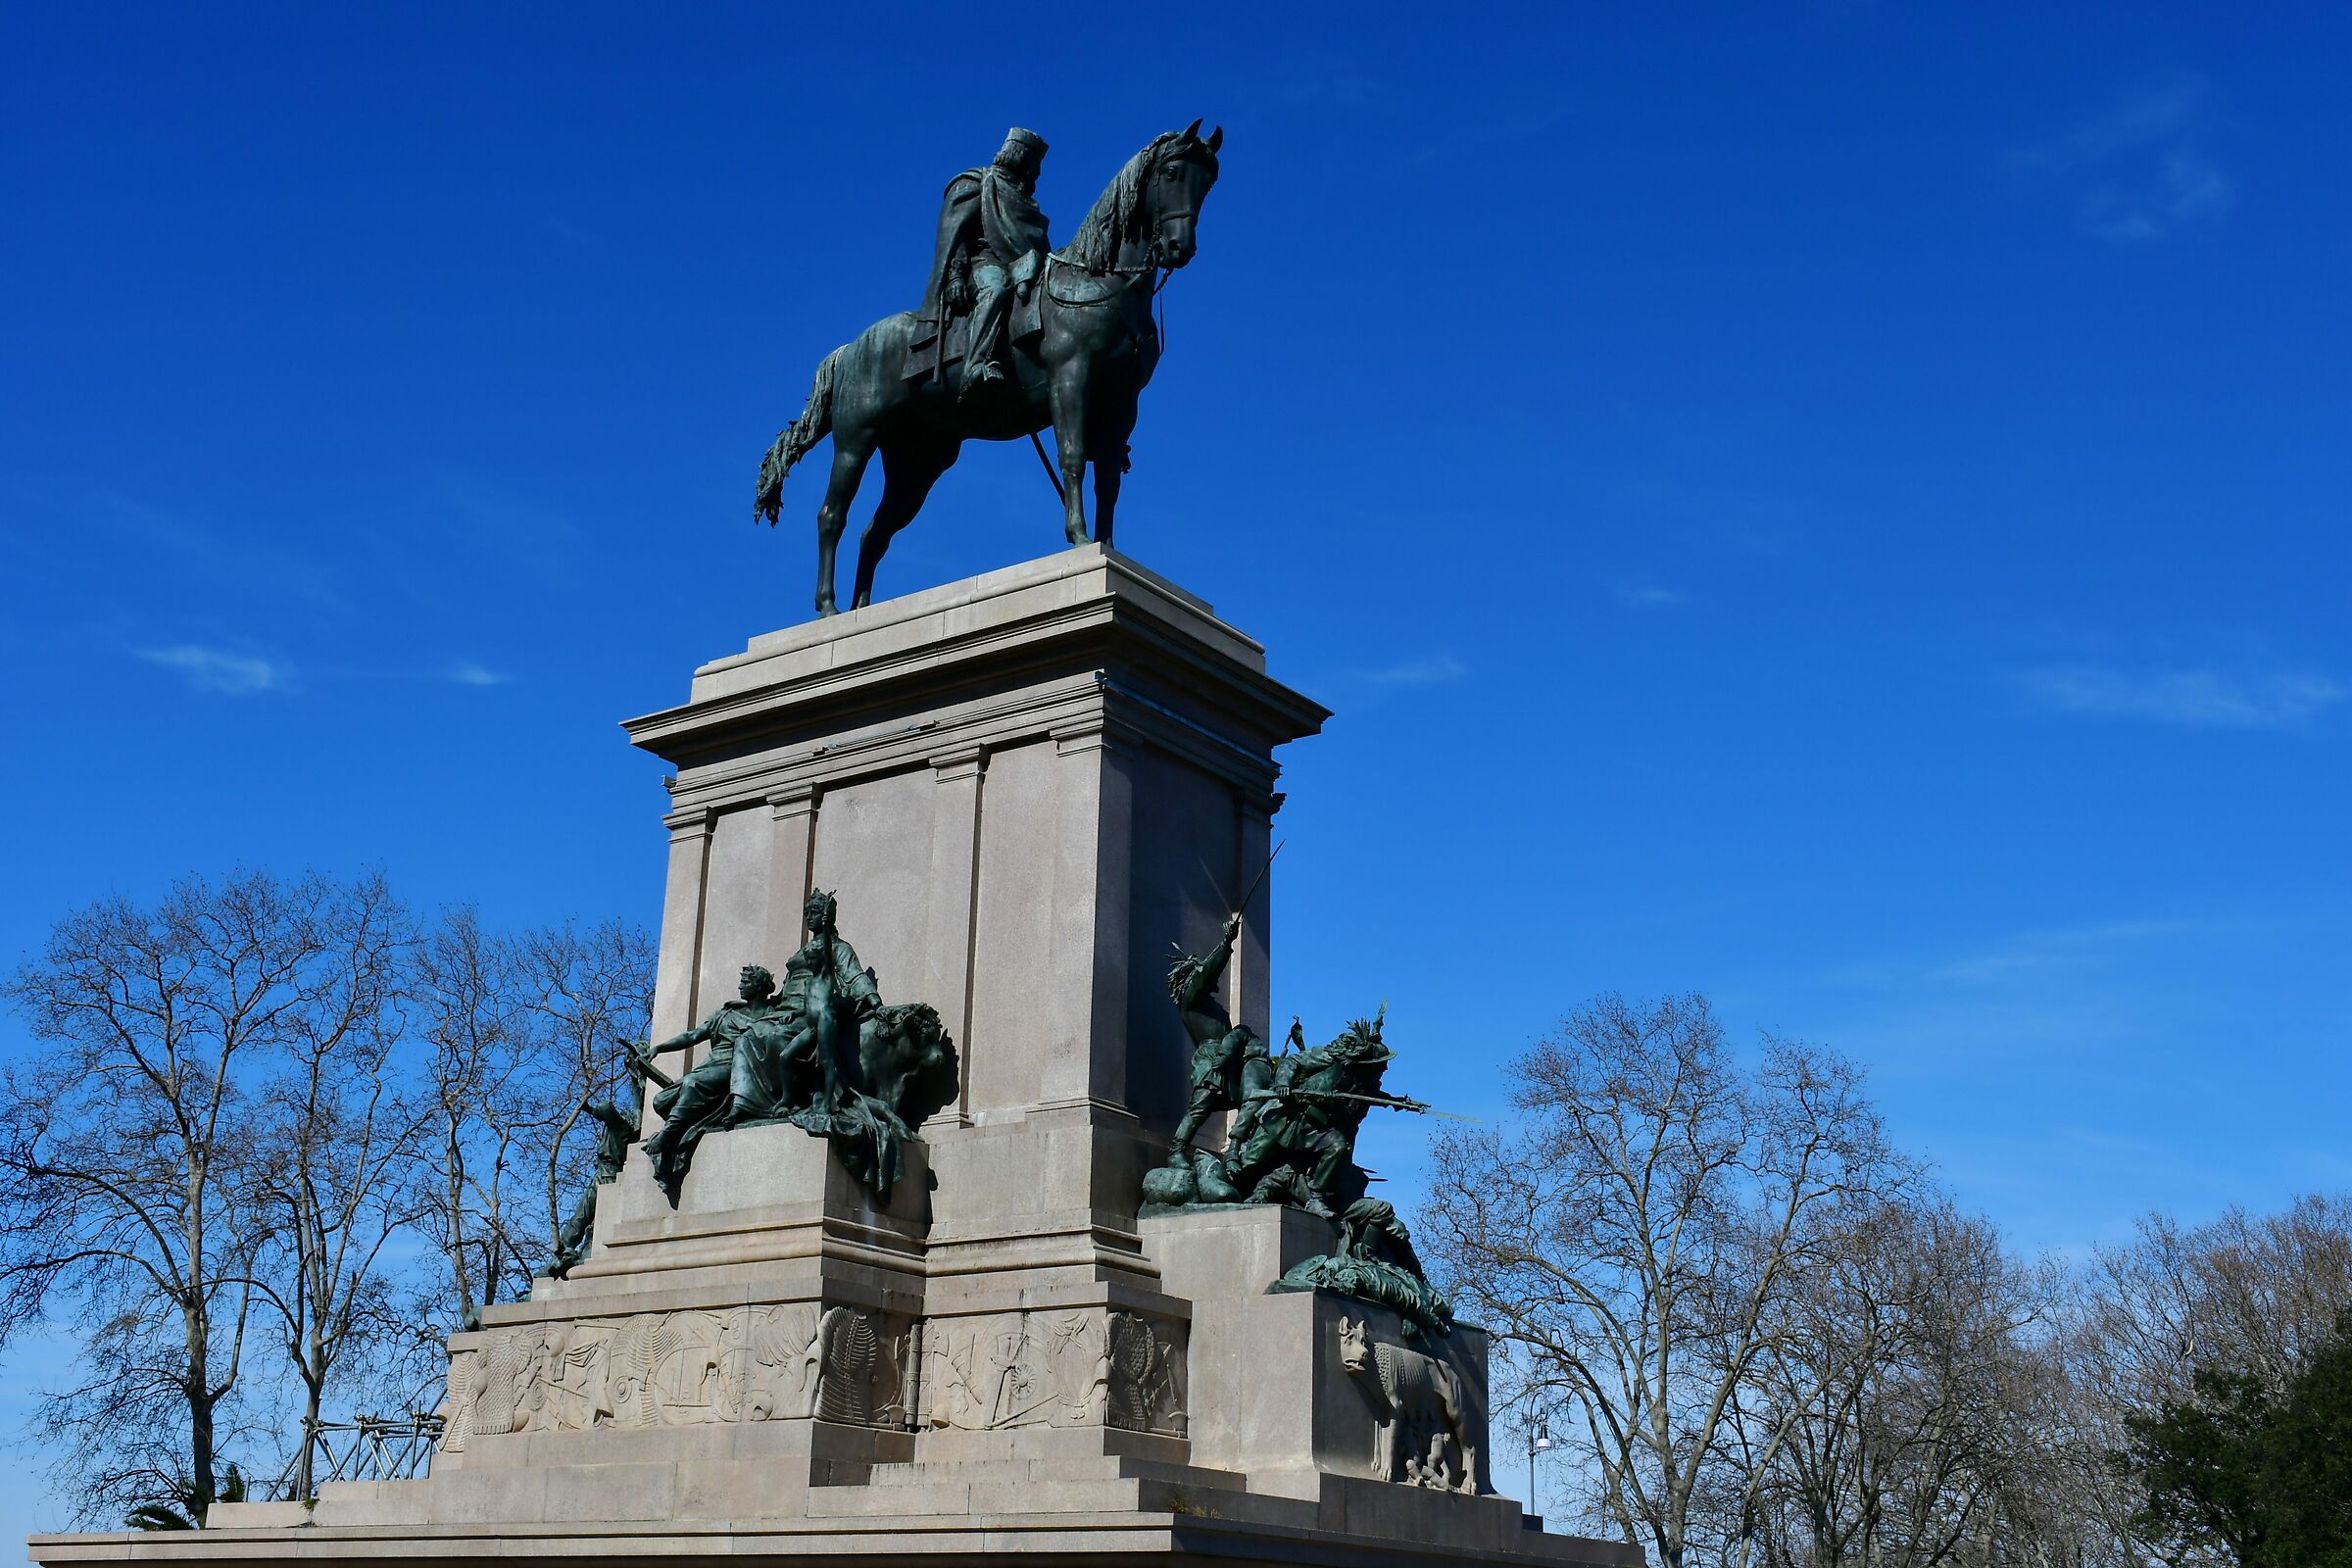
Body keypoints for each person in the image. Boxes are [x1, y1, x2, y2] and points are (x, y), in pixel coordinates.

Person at [918, 127, 1051, 395]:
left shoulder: (1026, 202)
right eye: (1034, 163)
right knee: (997, 287)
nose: (1037, 172)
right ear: (1020, 157)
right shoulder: (977, 182)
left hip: (1024, 267)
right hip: (982, 265)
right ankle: (974, 366)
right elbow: (955, 236)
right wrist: (956, 275)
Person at [637, 964, 782, 1200]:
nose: (740, 986)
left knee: (693, 1083)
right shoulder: (724, 1015)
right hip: (711, 1066)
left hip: (737, 1068)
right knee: (661, 1099)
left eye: (745, 982)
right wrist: (659, 1048)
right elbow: (693, 1035)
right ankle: (669, 1141)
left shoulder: (772, 1015)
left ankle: (665, 1136)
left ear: (759, 986)